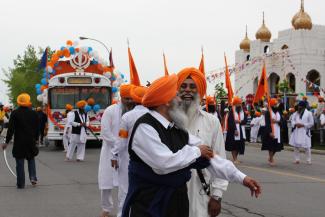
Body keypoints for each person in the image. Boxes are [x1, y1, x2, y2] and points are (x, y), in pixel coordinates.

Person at [122, 74, 261, 217]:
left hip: (177, 204)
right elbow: (163, 163)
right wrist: (196, 152)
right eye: (176, 95)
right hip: (151, 205)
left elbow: (210, 156)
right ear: (167, 102)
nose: (179, 98)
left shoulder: (176, 129)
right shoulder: (145, 127)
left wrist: (241, 178)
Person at [177, 67, 229, 217]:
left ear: (200, 91)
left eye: (193, 86)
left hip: (201, 191)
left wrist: (217, 196)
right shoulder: (169, 119)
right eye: (184, 86)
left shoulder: (211, 122)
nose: (188, 90)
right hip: (171, 191)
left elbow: (220, 159)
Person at [110, 85, 148, 217]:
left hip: (128, 158)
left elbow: (121, 140)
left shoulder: (127, 117)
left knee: (125, 190)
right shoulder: (154, 115)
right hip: (150, 160)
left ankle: (122, 213)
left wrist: (114, 154)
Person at [98, 84, 135, 217]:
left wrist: (124, 145)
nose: (129, 101)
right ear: (121, 97)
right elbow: (105, 132)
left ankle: (122, 211)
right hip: (109, 152)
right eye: (127, 99)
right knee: (106, 183)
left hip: (126, 154)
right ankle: (106, 208)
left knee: (124, 185)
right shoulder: (110, 110)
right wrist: (119, 143)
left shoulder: (133, 112)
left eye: (131, 99)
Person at [1, 93, 39, 189]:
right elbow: (37, 128)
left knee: (19, 162)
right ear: (28, 101)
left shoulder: (15, 113)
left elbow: (11, 129)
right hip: (30, 140)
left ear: (19, 102)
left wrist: (6, 141)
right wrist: (36, 139)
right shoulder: (34, 113)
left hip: (19, 141)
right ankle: (33, 178)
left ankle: (21, 183)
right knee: (31, 159)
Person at [261, 99, 283, 166]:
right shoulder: (268, 112)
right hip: (271, 130)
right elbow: (267, 123)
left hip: (278, 131)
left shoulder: (278, 112)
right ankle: (271, 159)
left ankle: (271, 157)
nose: (276, 105)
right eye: (274, 104)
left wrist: (277, 121)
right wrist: (269, 132)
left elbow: (282, 121)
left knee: (276, 147)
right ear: (271, 105)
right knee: (271, 146)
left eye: (276, 104)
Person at [225, 97, 247, 164]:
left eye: (240, 104)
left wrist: (239, 121)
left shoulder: (243, 111)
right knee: (234, 145)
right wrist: (235, 129)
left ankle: (236, 158)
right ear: (235, 104)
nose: (240, 105)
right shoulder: (231, 111)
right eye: (238, 104)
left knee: (239, 145)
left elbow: (245, 121)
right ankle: (234, 159)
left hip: (241, 130)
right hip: (233, 131)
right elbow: (230, 122)